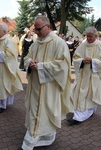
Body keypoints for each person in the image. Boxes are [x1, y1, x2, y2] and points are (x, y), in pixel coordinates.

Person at [18, 15, 73, 150]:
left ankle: (28, 144)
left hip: (49, 87)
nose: (36, 32)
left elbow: (63, 65)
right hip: (35, 85)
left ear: (48, 27)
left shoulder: (59, 43)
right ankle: (42, 137)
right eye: (35, 29)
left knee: (43, 112)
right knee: (35, 112)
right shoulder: (36, 43)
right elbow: (27, 57)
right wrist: (30, 62)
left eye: (38, 29)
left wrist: (41, 66)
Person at [66, 27, 101, 125]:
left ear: (96, 36)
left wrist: (93, 61)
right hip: (82, 75)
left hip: (94, 76)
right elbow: (76, 57)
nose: (88, 38)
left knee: (88, 96)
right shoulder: (83, 45)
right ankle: (81, 113)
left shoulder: (99, 46)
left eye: (90, 36)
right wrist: (82, 60)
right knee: (80, 94)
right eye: (87, 36)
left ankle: (80, 116)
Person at [0, 23, 23, 114]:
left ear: (4, 31)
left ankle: (2, 106)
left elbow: (10, 55)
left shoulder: (8, 41)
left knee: (2, 86)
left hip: (4, 69)